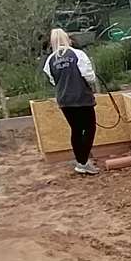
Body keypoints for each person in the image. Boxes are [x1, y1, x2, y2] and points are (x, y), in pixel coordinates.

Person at [43, 28, 101, 174]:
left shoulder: (50, 60)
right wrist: (92, 79)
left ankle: (81, 161)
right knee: (90, 128)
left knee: (76, 129)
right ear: (67, 38)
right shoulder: (78, 54)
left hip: (64, 99)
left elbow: (53, 81)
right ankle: (83, 161)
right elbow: (89, 76)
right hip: (81, 97)